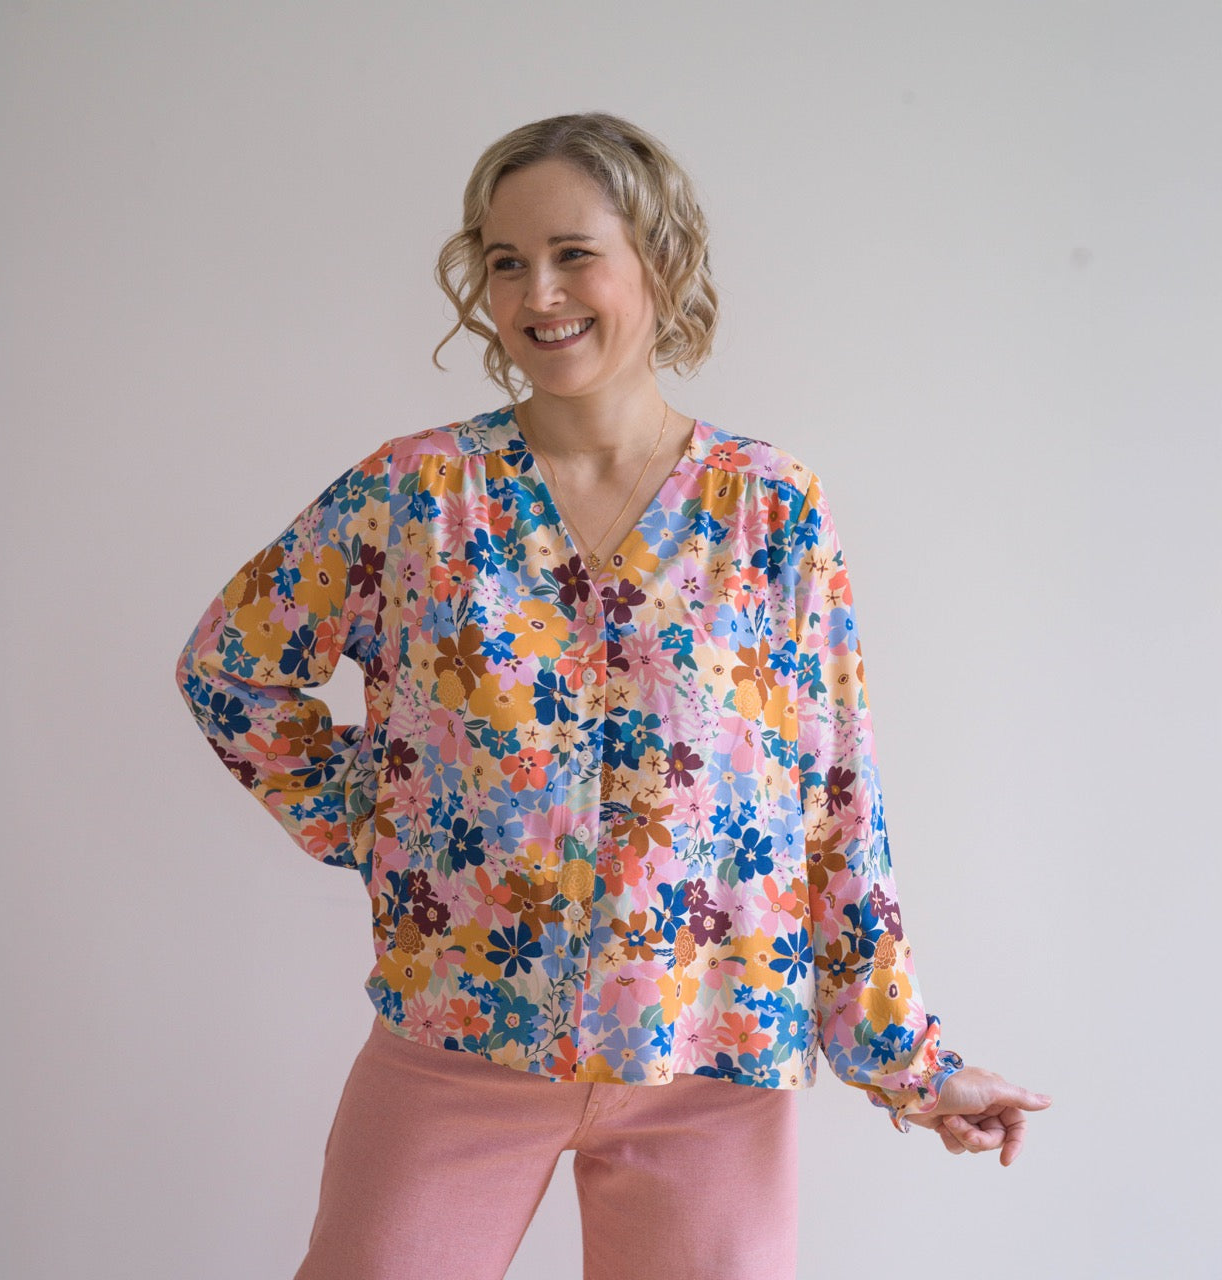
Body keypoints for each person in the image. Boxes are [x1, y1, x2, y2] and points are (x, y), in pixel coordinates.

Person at [175, 111, 1051, 1280]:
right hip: (456, 1036)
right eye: (504, 261)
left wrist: (912, 1061)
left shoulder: (768, 506)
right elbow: (231, 666)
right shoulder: (415, 492)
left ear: (657, 259)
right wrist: (382, 820)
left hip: (710, 1061)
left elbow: (833, 795)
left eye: (572, 253)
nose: (537, 293)